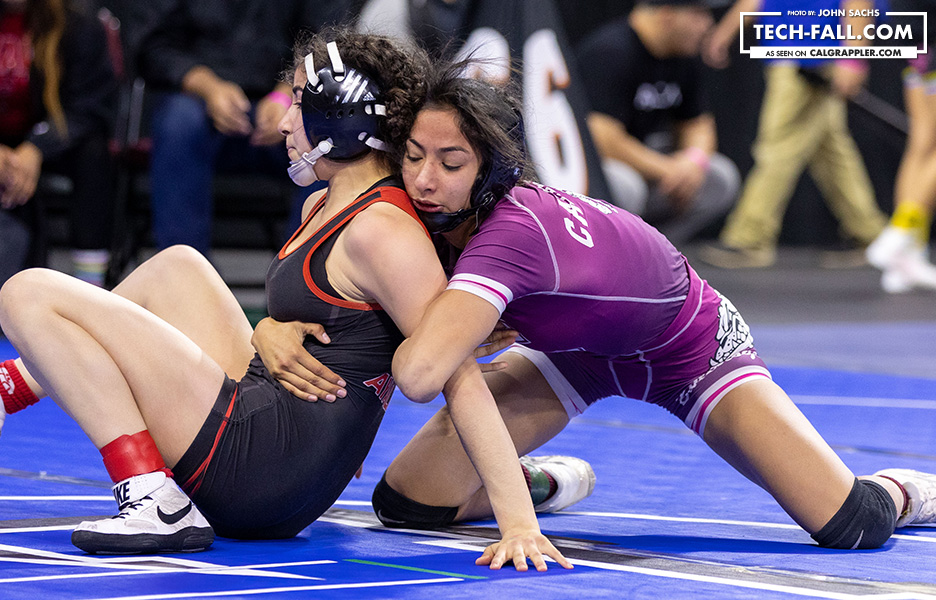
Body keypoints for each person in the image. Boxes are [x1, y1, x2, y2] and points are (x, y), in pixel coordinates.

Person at [0, 30, 572, 569]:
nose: (287, 119)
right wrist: (267, 328)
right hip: (272, 442)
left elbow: (458, 375)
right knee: (177, 267)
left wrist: (516, 521)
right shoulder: (324, 203)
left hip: (260, 467)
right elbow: (335, 330)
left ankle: (149, 494)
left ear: (338, 118)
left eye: (298, 101)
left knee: (28, 293)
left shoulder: (383, 230)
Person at [266, 62, 936, 557]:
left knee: (851, 525)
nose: (423, 180)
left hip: (686, 348)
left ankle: (908, 490)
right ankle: (542, 483)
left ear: (489, 169)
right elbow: (350, 299)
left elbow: (417, 372)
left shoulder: (510, 237)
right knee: (407, 502)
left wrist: (391, 347)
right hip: (568, 350)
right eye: (412, 157)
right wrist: (269, 328)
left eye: (450, 162)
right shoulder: (433, 211)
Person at [0, 0, 117, 333]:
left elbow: (92, 105)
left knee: (94, 154)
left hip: (49, 136)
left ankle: (91, 287)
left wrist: (37, 148)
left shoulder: (79, 22)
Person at [131, 0, 351, 254]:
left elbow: (328, 42)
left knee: (326, 132)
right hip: (198, 101)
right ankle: (184, 273)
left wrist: (290, 95)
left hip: (288, 99)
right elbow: (153, 45)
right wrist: (207, 86)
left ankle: (299, 269)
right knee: (179, 123)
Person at [699, 0, 888, 269]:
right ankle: (870, 235)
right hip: (796, 52)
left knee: (779, 147)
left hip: (811, 56)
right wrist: (726, 31)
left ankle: (749, 238)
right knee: (832, 153)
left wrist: (853, 58)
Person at [576, 0, 740, 247]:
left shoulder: (682, 56)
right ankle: (605, 255)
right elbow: (602, 139)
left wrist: (692, 162)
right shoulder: (609, 51)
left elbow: (698, 125)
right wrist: (668, 170)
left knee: (719, 177)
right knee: (627, 185)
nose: (708, 25)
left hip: (644, 164)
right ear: (667, 15)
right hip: (588, 173)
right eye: (699, 14)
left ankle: (656, 252)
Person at [865, 3, 936, 293]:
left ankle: (907, 256)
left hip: (913, 24)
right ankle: (901, 232)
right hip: (926, 23)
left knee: (922, 138)